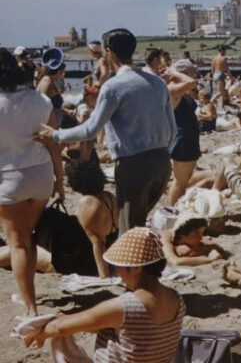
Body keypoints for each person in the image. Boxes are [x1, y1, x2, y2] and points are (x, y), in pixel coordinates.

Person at [42, 30, 175, 234]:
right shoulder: (157, 83)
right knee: (139, 223)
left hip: (134, 164)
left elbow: (91, 129)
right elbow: (172, 129)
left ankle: (130, 266)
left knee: (129, 230)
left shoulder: (114, 86)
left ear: (109, 52)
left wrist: (55, 135)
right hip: (163, 162)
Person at [23, 228, 186, 362]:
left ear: (136, 268)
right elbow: (132, 333)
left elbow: (59, 327)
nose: (119, 273)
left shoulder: (125, 306)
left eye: (120, 267)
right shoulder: (177, 299)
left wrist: (38, 331)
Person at [0, 48, 64, 315]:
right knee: (29, 237)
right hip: (40, 176)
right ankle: (27, 291)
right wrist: (60, 182)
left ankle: (30, 307)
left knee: (18, 243)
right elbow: (54, 145)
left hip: (10, 177)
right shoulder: (40, 100)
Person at [165, 59, 199, 205]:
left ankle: (177, 208)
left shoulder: (179, 89)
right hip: (182, 139)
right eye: (192, 71)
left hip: (187, 138)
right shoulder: (173, 89)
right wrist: (173, 72)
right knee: (180, 181)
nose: (196, 74)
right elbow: (191, 82)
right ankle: (172, 210)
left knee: (183, 181)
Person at [159, 214, 227, 266]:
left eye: (202, 233)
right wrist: (210, 259)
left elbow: (213, 245)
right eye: (197, 233)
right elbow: (175, 261)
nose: (201, 237)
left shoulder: (185, 238)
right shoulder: (164, 239)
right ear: (182, 234)